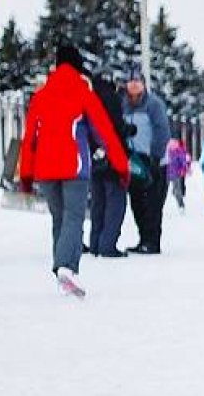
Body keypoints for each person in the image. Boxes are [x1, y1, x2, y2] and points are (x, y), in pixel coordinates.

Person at [18, 45, 129, 297]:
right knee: (73, 218)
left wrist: (26, 174)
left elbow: (29, 139)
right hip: (74, 168)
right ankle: (65, 267)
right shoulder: (83, 93)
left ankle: (65, 271)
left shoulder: (41, 96)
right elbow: (105, 133)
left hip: (46, 170)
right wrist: (122, 167)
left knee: (60, 218)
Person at [121, 68, 170, 254]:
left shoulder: (153, 105)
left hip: (154, 160)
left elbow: (162, 130)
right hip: (135, 162)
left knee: (153, 203)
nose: (133, 84)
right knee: (137, 203)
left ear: (143, 84)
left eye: (137, 81)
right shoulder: (124, 105)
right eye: (130, 81)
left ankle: (152, 241)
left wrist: (156, 156)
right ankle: (143, 238)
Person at [86, 73, 130, 257]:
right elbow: (116, 128)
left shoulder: (88, 98)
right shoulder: (111, 99)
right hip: (112, 158)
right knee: (115, 203)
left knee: (98, 202)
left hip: (93, 159)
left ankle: (95, 243)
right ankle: (107, 245)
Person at [165, 136, 191, 211]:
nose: (172, 144)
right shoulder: (167, 151)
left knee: (177, 191)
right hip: (166, 173)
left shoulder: (179, 151)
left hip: (175, 173)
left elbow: (183, 161)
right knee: (163, 191)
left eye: (174, 142)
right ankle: (159, 206)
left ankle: (181, 205)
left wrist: (185, 169)